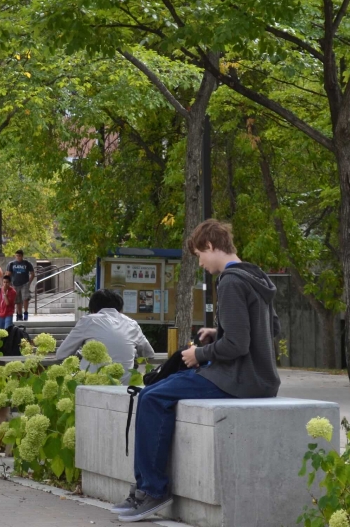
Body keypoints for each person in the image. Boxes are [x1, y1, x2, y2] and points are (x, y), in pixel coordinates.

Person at [114, 220, 281, 522]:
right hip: (261, 378)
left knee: (152, 397)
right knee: (156, 390)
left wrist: (198, 354)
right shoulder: (255, 277)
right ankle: (146, 488)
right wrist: (219, 332)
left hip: (236, 379)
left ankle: (152, 490)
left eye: (199, 256)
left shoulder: (230, 281)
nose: (201, 263)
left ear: (209, 246)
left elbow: (239, 345)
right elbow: (271, 328)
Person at [56, 289, 154, 382]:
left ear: (93, 309)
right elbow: (149, 354)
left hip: (92, 388)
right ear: (120, 309)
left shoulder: (89, 320)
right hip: (124, 390)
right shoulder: (132, 324)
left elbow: (62, 354)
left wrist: (82, 353)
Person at [6, 250, 35, 321]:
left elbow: (32, 274)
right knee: (17, 300)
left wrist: (29, 282)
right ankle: (19, 314)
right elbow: (8, 274)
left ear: (22, 256)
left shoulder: (27, 263)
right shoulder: (12, 264)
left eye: (19, 256)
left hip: (24, 283)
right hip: (15, 284)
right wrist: (7, 283)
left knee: (25, 298)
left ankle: (25, 312)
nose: (18, 257)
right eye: (17, 256)